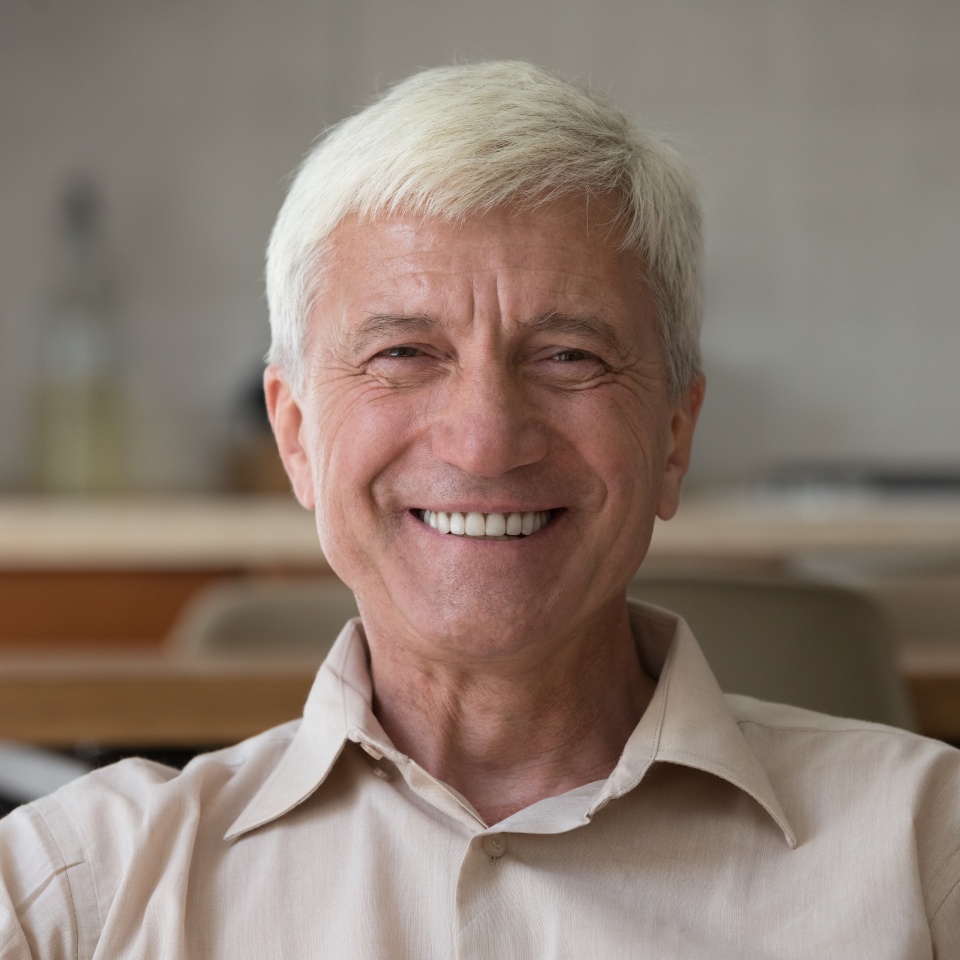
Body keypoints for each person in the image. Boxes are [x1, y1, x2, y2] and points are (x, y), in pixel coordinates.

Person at [1, 60, 959, 959]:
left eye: (569, 356)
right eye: (404, 354)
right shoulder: (75, 890)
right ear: (296, 437)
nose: (486, 439)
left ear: (674, 434)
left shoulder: (928, 856)